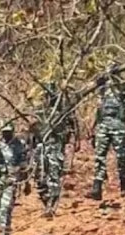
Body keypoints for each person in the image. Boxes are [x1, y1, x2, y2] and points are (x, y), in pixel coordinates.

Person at [88, 70, 125, 203]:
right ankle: (97, 187)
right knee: (99, 156)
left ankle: (124, 188)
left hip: (119, 125)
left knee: (122, 157)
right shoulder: (103, 87)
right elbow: (98, 107)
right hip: (103, 124)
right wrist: (92, 125)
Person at [31, 83, 79, 217]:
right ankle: (46, 203)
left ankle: (51, 207)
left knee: (54, 177)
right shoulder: (39, 111)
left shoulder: (63, 113)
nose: (50, 98)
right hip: (40, 149)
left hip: (55, 147)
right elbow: (32, 132)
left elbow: (72, 127)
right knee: (40, 179)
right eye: (47, 95)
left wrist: (73, 142)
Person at [0, 122, 30, 235]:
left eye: (9, 132)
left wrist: (26, 183)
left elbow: (23, 164)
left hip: (11, 181)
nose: (6, 135)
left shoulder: (19, 145)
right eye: (4, 132)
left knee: (5, 209)